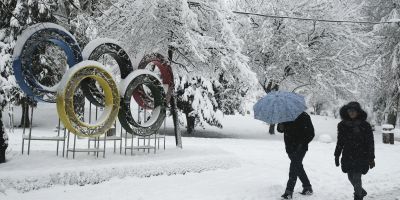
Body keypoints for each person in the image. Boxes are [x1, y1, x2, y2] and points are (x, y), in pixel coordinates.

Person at [334, 102, 375, 200]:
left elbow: (370, 143)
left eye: (353, 111)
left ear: (358, 112)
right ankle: (361, 191)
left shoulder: (365, 125)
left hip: (362, 154)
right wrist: (337, 155)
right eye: (349, 111)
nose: (351, 113)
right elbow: (340, 141)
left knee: (357, 177)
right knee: (350, 177)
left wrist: (371, 158)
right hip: (348, 155)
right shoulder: (342, 125)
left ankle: (358, 196)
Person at [277, 112, 315, 199]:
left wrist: (302, 143)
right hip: (289, 147)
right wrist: (280, 125)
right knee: (298, 167)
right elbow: (280, 130)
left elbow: (311, 133)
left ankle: (289, 191)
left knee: (294, 167)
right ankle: (307, 187)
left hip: (300, 148)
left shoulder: (304, 116)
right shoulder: (284, 115)